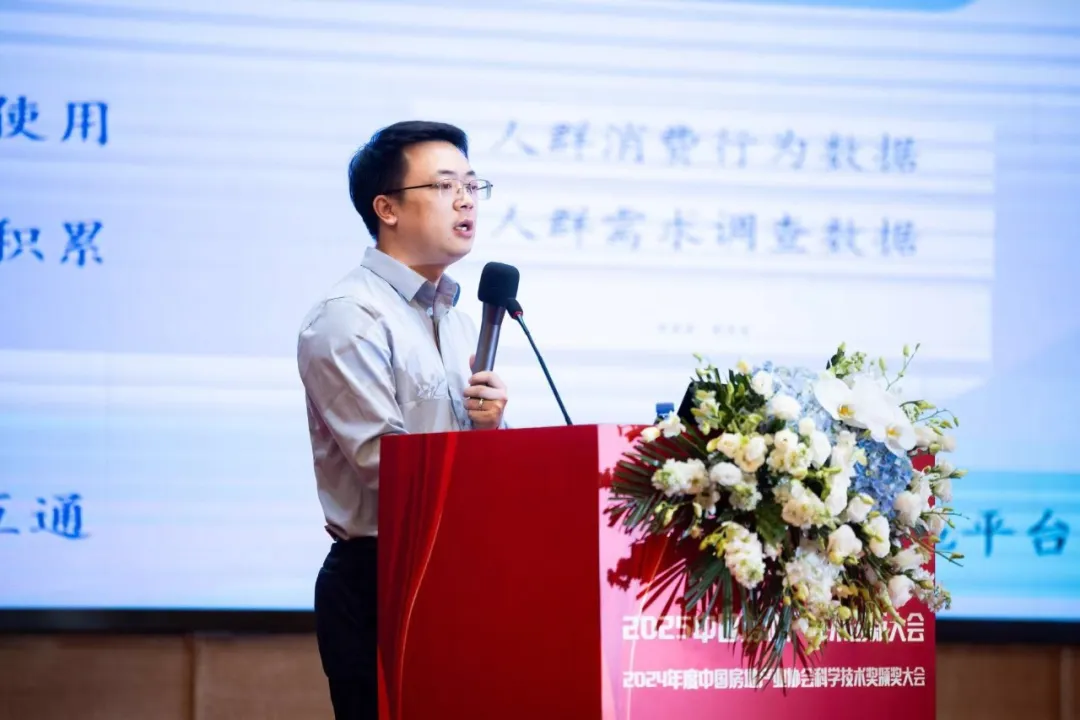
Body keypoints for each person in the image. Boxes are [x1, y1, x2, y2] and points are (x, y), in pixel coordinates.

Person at [296, 120, 509, 719]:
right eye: (444, 186)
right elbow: (387, 470)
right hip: (383, 580)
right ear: (386, 208)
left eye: (471, 184)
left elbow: (468, 467)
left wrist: (491, 432)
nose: (466, 200)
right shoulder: (348, 317)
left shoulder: (459, 321)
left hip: (458, 571)